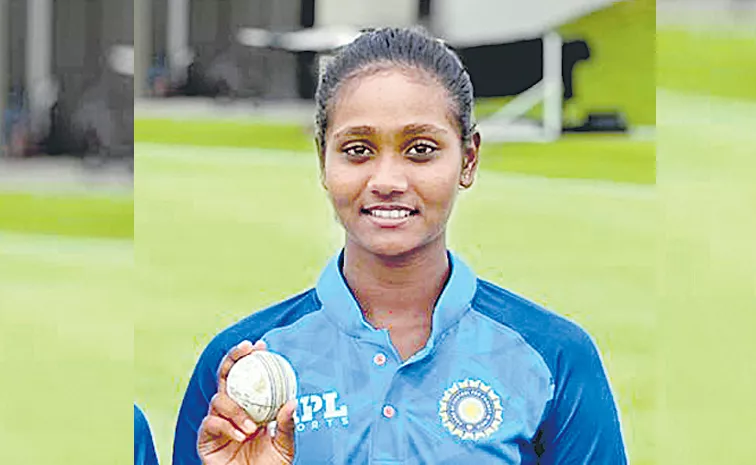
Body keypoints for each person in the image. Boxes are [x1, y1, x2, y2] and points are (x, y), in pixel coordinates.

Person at [173, 27, 627, 464]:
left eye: (421, 149)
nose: (387, 181)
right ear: (322, 160)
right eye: (357, 150)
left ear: (468, 159)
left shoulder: (555, 357)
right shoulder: (241, 362)